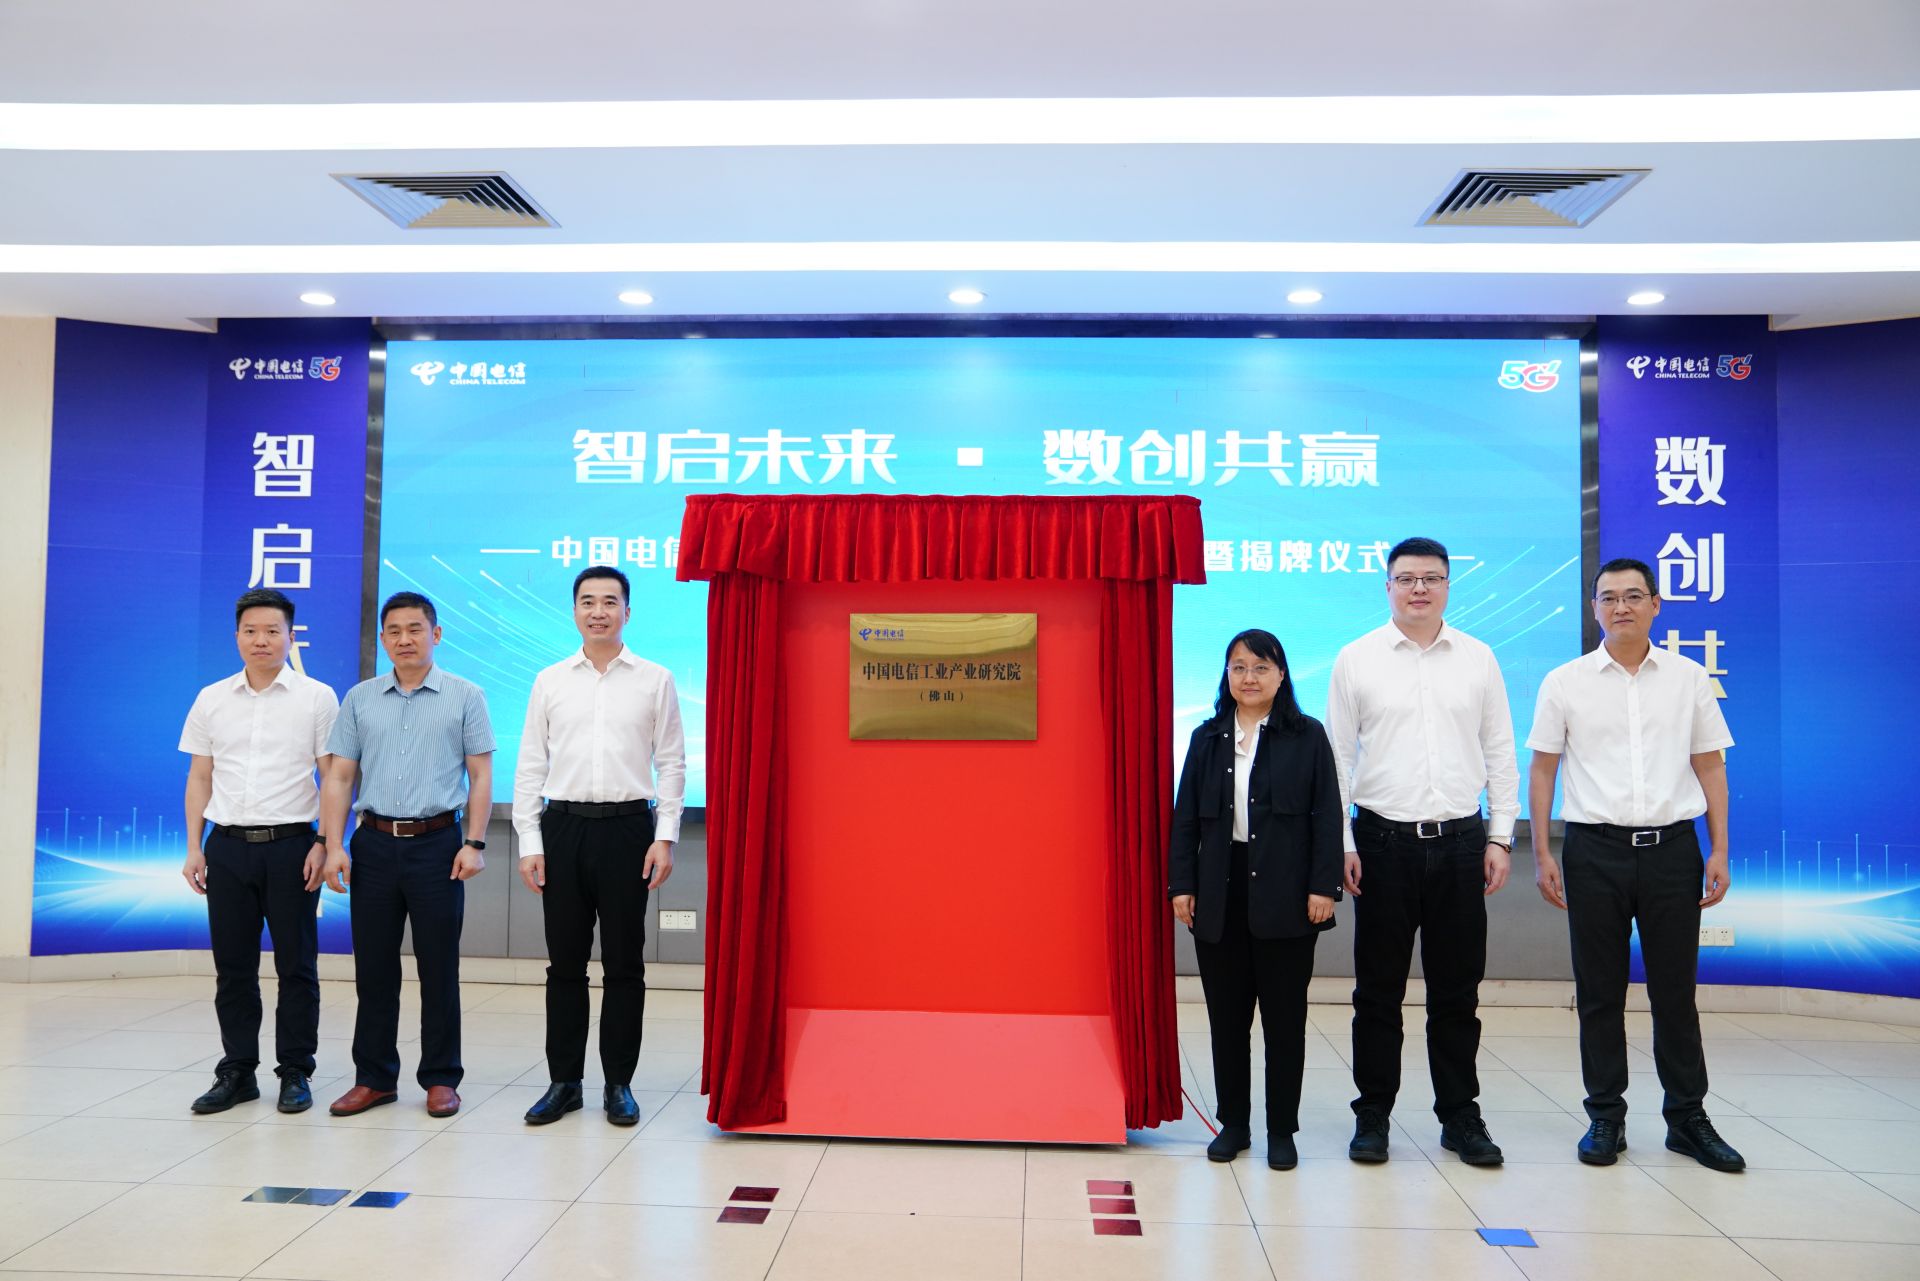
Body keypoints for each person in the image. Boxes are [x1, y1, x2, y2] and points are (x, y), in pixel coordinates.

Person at [1528, 557, 1744, 1172]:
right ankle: (1605, 1115)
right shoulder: (1564, 681)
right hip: (1593, 852)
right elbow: (1542, 770)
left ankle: (1688, 1118)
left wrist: (1719, 849)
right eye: (1607, 597)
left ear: (1655, 604)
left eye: (1632, 596)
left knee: (1676, 991)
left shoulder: (1688, 678)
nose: (1620, 607)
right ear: (1594, 608)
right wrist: (1541, 852)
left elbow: (1710, 765)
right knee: (1599, 992)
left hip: (1673, 850)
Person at [1326, 535, 1517, 1166]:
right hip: (1381, 843)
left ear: (1447, 586)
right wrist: (1342, 841)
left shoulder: (1478, 658)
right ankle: (1373, 1114)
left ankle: (1460, 1116)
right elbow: (1338, 758)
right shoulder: (1357, 659)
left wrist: (1499, 836)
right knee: (1377, 991)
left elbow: (1500, 750)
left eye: (1431, 578)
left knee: (1457, 991)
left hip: (1462, 842)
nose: (1418, 589)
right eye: (1406, 578)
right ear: (1387, 587)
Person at [513, 566, 686, 1127]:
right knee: (564, 963)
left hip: (628, 831)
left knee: (624, 964)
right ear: (574, 612)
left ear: (627, 612)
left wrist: (664, 836)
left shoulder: (655, 679)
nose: (598, 611)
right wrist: (530, 840)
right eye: (587, 601)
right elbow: (530, 765)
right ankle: (564, 1083)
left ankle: (619, 1084)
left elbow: (672, 763)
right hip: (562, 829)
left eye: (610, 602)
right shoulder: (550, 681)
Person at [1169, 629, 1343, 1171]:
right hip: (1219, 896)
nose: (1249, 677)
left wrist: (1324, 887)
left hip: (1288, 896)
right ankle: (1235, 1124)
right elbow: (1185, 818)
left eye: (1261, 668)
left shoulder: (1307, 736)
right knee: (1227, 1021)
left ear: (1281, 675)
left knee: (1284, 1023)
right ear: (1226, 674)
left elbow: (1327, 815)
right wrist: (1181, 885)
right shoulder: (1207, 738)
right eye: (1239, 667)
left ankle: (1281, 1130)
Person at [320, 591, 494, 1119]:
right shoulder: (360, 699)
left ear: (435, 634)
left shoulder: (465, 695)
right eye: (393, 631)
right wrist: (333, 846)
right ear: (382, 639)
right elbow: (340, 777)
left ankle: (441, 1078)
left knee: (439, 967)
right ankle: (374, 1078)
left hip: (439, 845)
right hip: (373, 844)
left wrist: (474, 843)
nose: (404, 639)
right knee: (374, 968)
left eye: (415, 629)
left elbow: (481, 774)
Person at [179, 588, 339, 1115]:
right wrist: (194, 847)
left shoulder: (317, 697)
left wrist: (325, 841)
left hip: (293, 847)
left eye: (273, 631)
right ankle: (237, 1070)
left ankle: (295, 1070)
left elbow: (333, 776)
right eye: (251, 631)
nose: (261, 640)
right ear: (237, 637)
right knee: (233, 967)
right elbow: (200, 776)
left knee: (297, 966)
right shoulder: (211, 698)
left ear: (291, 636)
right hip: (226, 848)